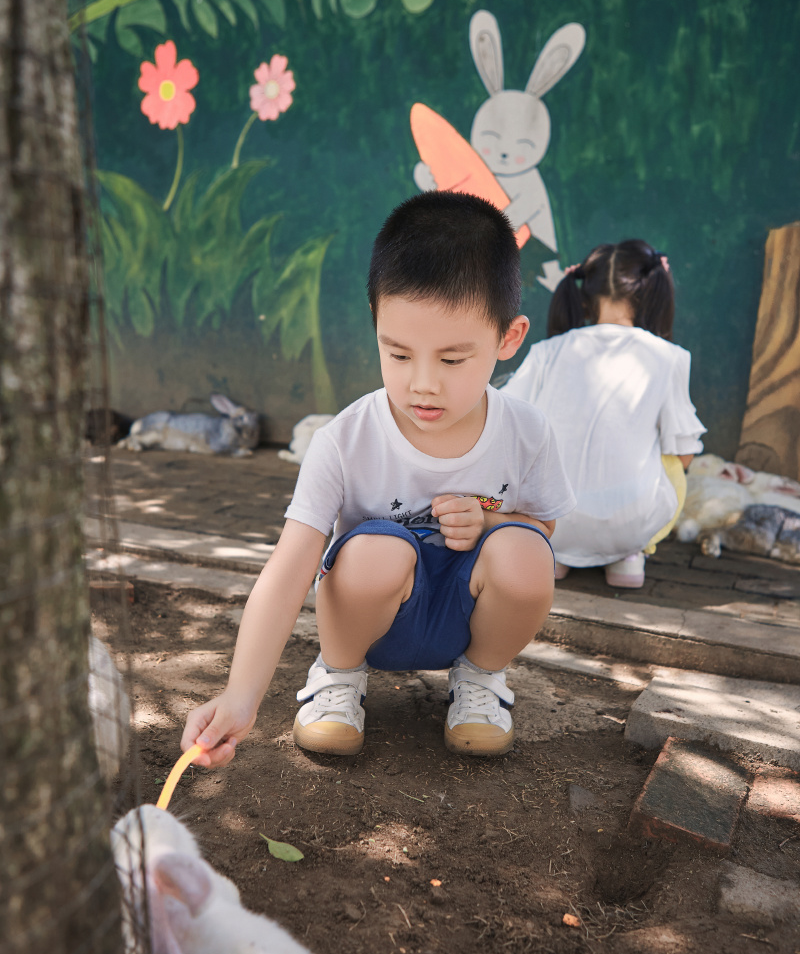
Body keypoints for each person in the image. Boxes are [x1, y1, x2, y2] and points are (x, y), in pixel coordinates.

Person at [181, 191, 576, 767]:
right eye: (398, 354)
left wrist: (491, 518)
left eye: (451, 360)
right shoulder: (344, 439)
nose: (422, 384)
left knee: (526, 551)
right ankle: (338, 679)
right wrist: (240, 697)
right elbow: (290, 565)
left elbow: (543, 526)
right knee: (373, 551)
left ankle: (479, 681)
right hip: (371, 623)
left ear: (508, 339)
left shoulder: (527, 432)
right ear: (376, 329)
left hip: (465, 620)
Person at [502, 240, 705, 589]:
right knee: (674, 455)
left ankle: (555, 554)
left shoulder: (546, 351)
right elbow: (683, 454)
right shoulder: (670, 357)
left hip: (549, 523)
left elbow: (505, 423)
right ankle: (627, 556)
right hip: (630, 525)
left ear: (583, 295)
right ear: (653, 292)